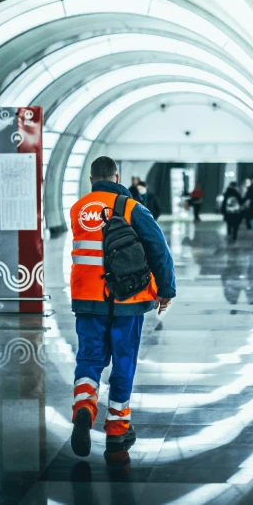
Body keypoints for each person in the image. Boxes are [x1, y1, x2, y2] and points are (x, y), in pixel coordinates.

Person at [69, 156, 176, 458]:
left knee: (89, 357)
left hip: (87, 299)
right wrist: (165, 290)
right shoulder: (133, 208)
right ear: (117, 177)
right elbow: (158, 249)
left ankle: (85, 407)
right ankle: (116, 430)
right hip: (126, 300)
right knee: (123, 360)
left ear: (91, 180)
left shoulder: (78, 209)